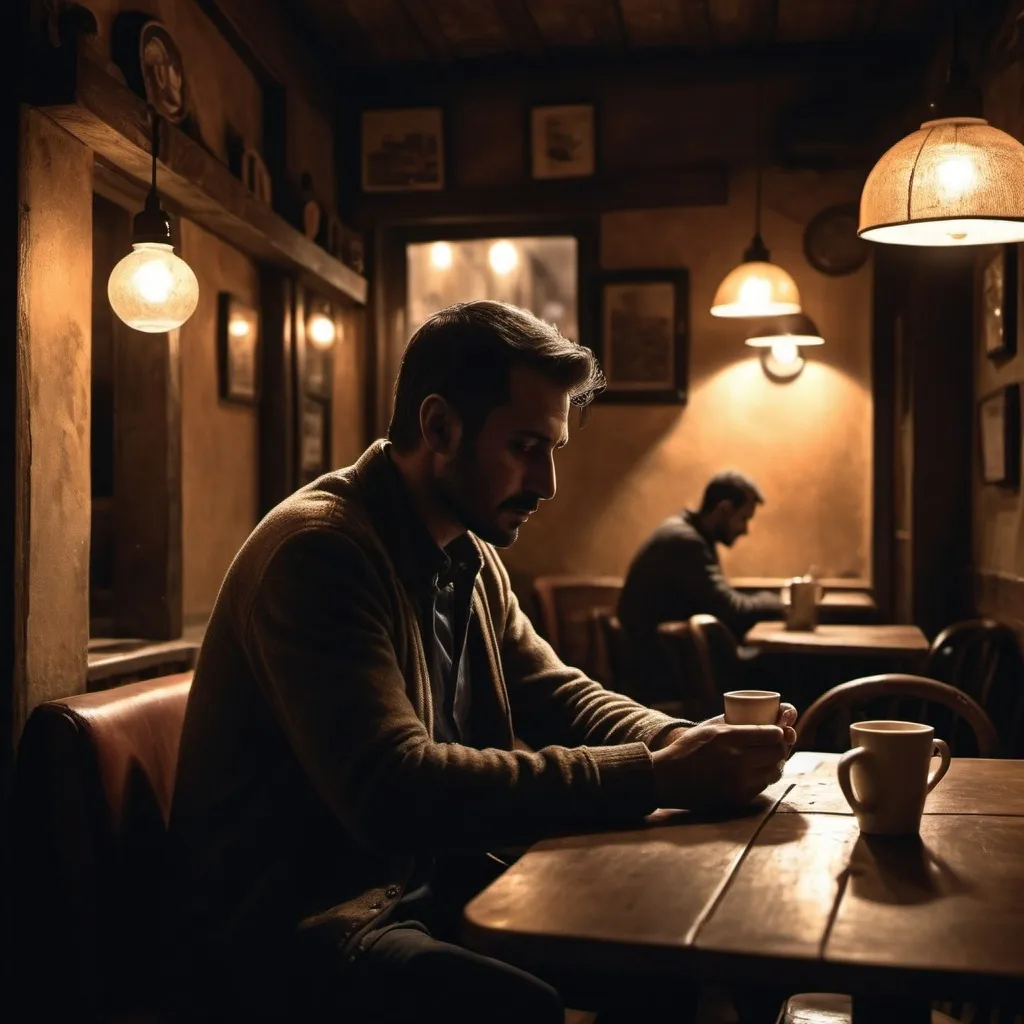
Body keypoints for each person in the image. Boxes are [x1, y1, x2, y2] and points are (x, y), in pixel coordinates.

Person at [164, 301, 796, 1023]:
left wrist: (683, 740)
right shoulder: (321, 552)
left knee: (661, 959)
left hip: (423, 887)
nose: (548, 482)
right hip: (297, 931)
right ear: (439, 428)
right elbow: (394, 789)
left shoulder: (470, 552)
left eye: (551, 449)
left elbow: (558, 692)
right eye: (527, 446)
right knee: (514, 1007)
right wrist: (658, 775)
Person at [617, 472, 784, 701]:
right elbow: (732, 611)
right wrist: (780, 602)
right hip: (661, 675)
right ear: (723, 510)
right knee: (782, 670)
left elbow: (722, 604)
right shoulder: (685, 542)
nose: (745, 530)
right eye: (744, 518)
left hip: (665, 666)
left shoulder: (688, 534)